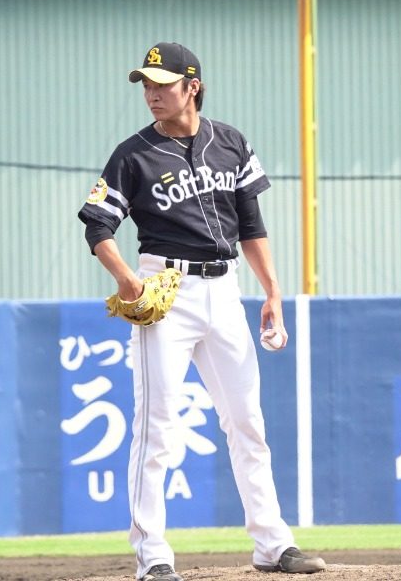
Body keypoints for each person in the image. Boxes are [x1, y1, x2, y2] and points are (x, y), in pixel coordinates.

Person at [77, 42, 326, 581]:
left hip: (225, 289)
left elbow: (251, 224)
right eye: (146, 84)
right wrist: (127, 281)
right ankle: (153, 555)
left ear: (192, 86)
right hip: (165, 291)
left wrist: (273, 292)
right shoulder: (133, 155)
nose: (151, 93)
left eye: (162, 84)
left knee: (247, 421)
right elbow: (98, 225)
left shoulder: (230, 142)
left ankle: (272, 544)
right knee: (156, 428)